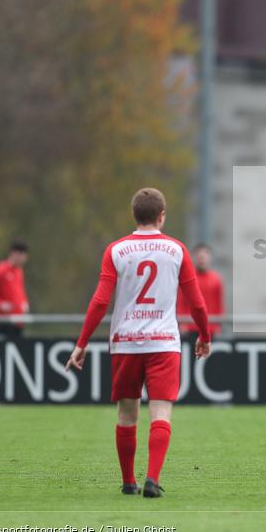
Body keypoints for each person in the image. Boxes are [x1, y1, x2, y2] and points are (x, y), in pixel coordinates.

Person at [65, 188, 211, 498]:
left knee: (126, 414)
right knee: (160, 413)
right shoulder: (177, 250)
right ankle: (152, 480)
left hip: (126, 342)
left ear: (134, 215)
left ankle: (129, 482)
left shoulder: (116, 250)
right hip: (164, 342)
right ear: (162, 216)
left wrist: (82, 342)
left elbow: (101, 300)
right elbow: (197, 303)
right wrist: (205, 335)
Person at [0, 240, 30, 338]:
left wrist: (24, 302)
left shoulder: (19, 270)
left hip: (19, 322)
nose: (25, 259)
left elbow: (19, 291)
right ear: (15, 254)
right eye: (23, 255)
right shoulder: (2, 268)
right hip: (5, 321)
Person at [176, 243, 224, 341]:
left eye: (205, 256)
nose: (202, 259)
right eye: (199, 256)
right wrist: (182, 323)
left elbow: (219, 304)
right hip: (190, 328)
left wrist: (218, 325)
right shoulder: (187, 278)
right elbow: (180, 302)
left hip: (210, 329)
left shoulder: (216, 279)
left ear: (210, 258)